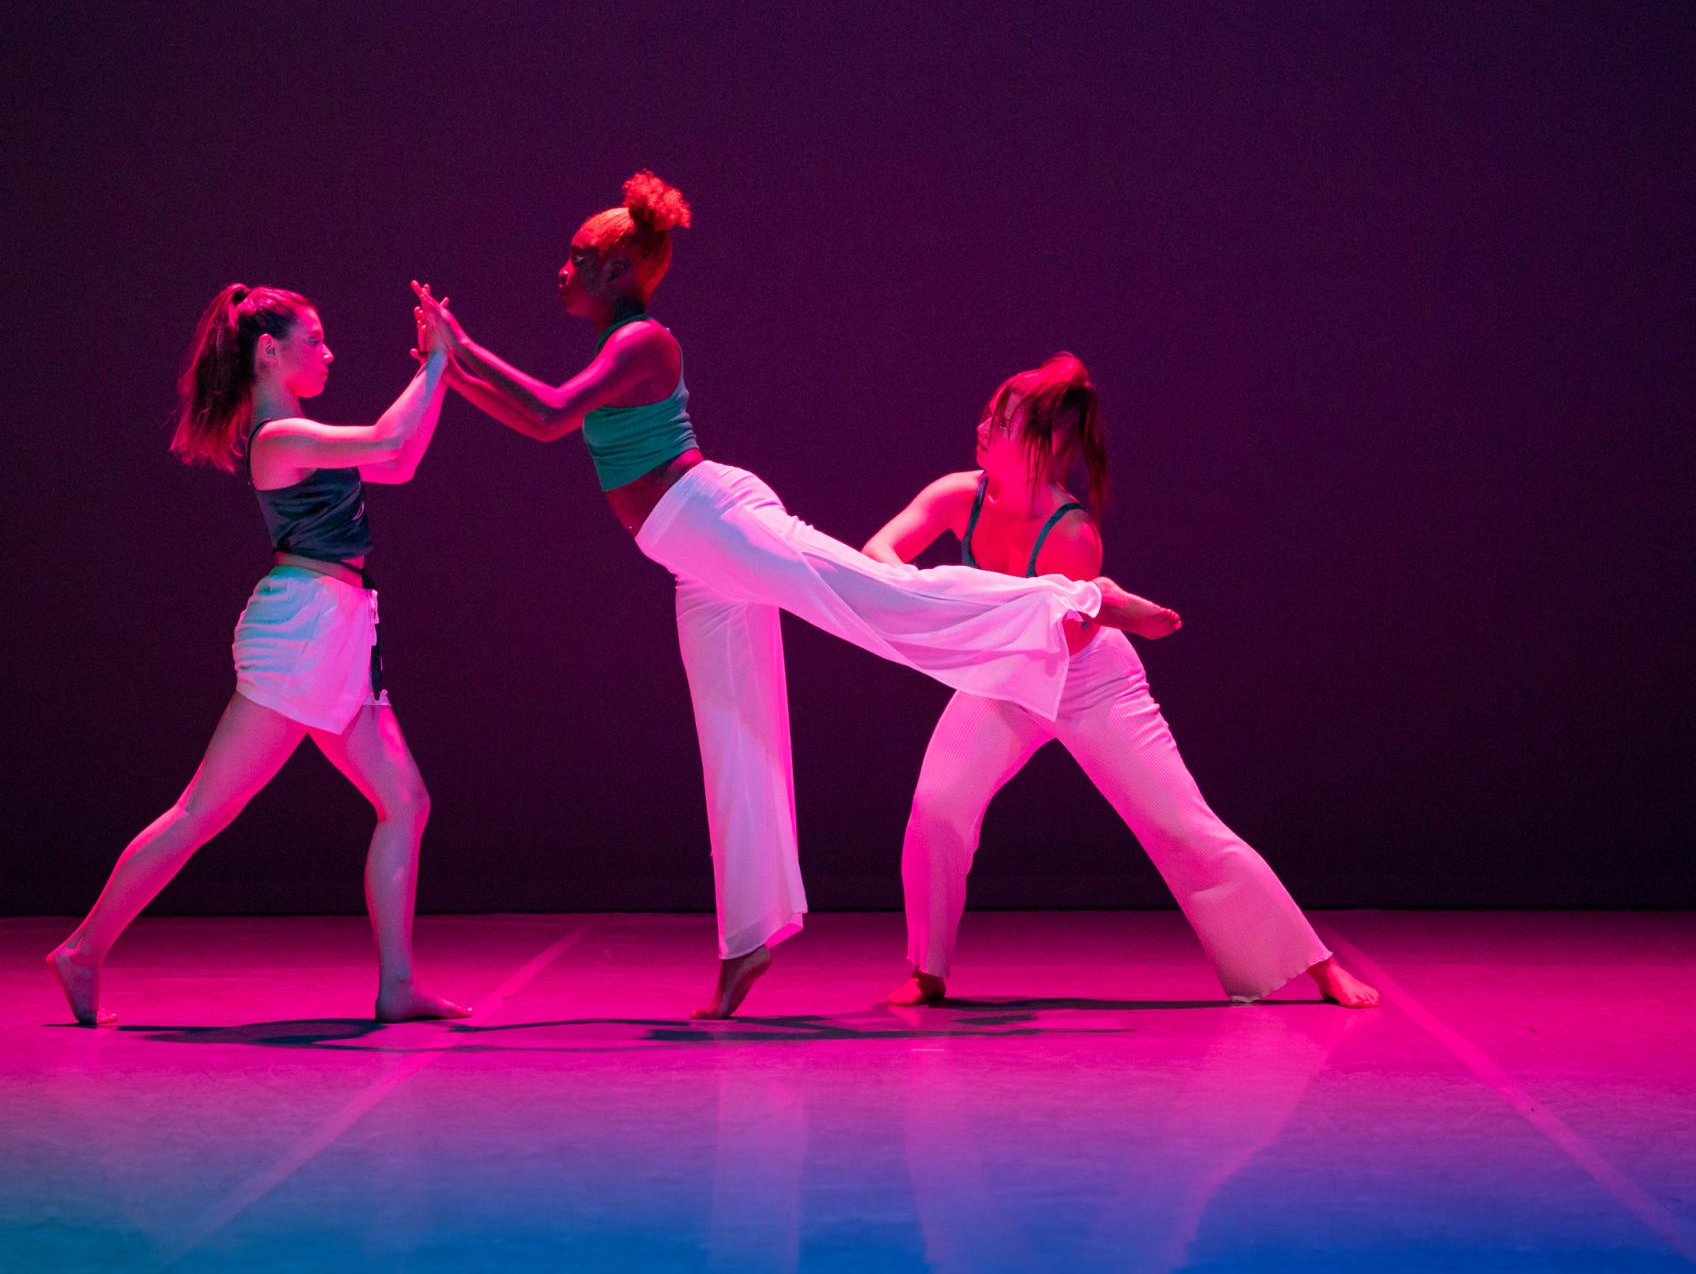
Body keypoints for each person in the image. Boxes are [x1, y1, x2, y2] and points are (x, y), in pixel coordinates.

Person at [412, 173, 1180, 1018]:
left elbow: (553, 414)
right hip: (690, 555)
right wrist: (453, 371)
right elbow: (539, 420)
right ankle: (751, 938)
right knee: (733, 728)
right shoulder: (619, 341)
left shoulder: (644, 342)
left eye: (579, 257)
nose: (562, 269)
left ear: (623, 268)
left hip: (716, 521)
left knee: (880, 598)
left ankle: (1082, 602)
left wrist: (462, 352)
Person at [861, 353, 1378, 1007]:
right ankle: (927, 969)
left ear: (1043, 446)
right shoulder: (955, 496)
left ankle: (1316, 965)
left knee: (1182, 826)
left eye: (1001, 419)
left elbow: (1062, 639)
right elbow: (879, 557)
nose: (982, 424)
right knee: (937, 809)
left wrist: (1065, 608)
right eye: (989, 412)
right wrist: (933, 593)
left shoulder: (1072, 532)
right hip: (1002, 677)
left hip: (1089, 680)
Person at [45, 283, 469, 1026]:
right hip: (303, 632)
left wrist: (438, 370)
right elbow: (387, 441)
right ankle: (83, 949)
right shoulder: (279, 440)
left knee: (404, 802)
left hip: (336, 632)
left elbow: (398, 464)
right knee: (201, 812)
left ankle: (397, 985)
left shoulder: (304, 434)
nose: (329, 352)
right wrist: (434, 365)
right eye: (315, 339)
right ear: (269, 353)